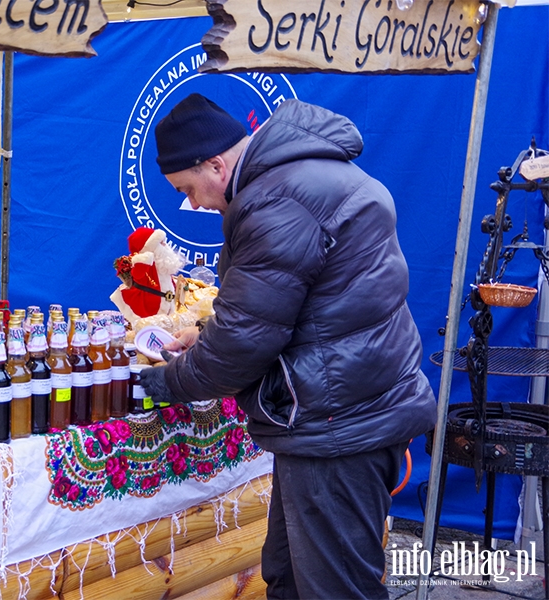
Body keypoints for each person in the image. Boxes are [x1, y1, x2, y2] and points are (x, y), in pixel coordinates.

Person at [139, 93, 437, 599]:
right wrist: (206, 335)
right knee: (290, 578)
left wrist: (168, 380)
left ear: (215, 163)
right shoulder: (304, 177)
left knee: (330, 591)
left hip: (338, 427)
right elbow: (306, 308)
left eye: (188, 189)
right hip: (348, 412)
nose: (196, 204)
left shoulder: (277, 199)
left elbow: (244, 344)